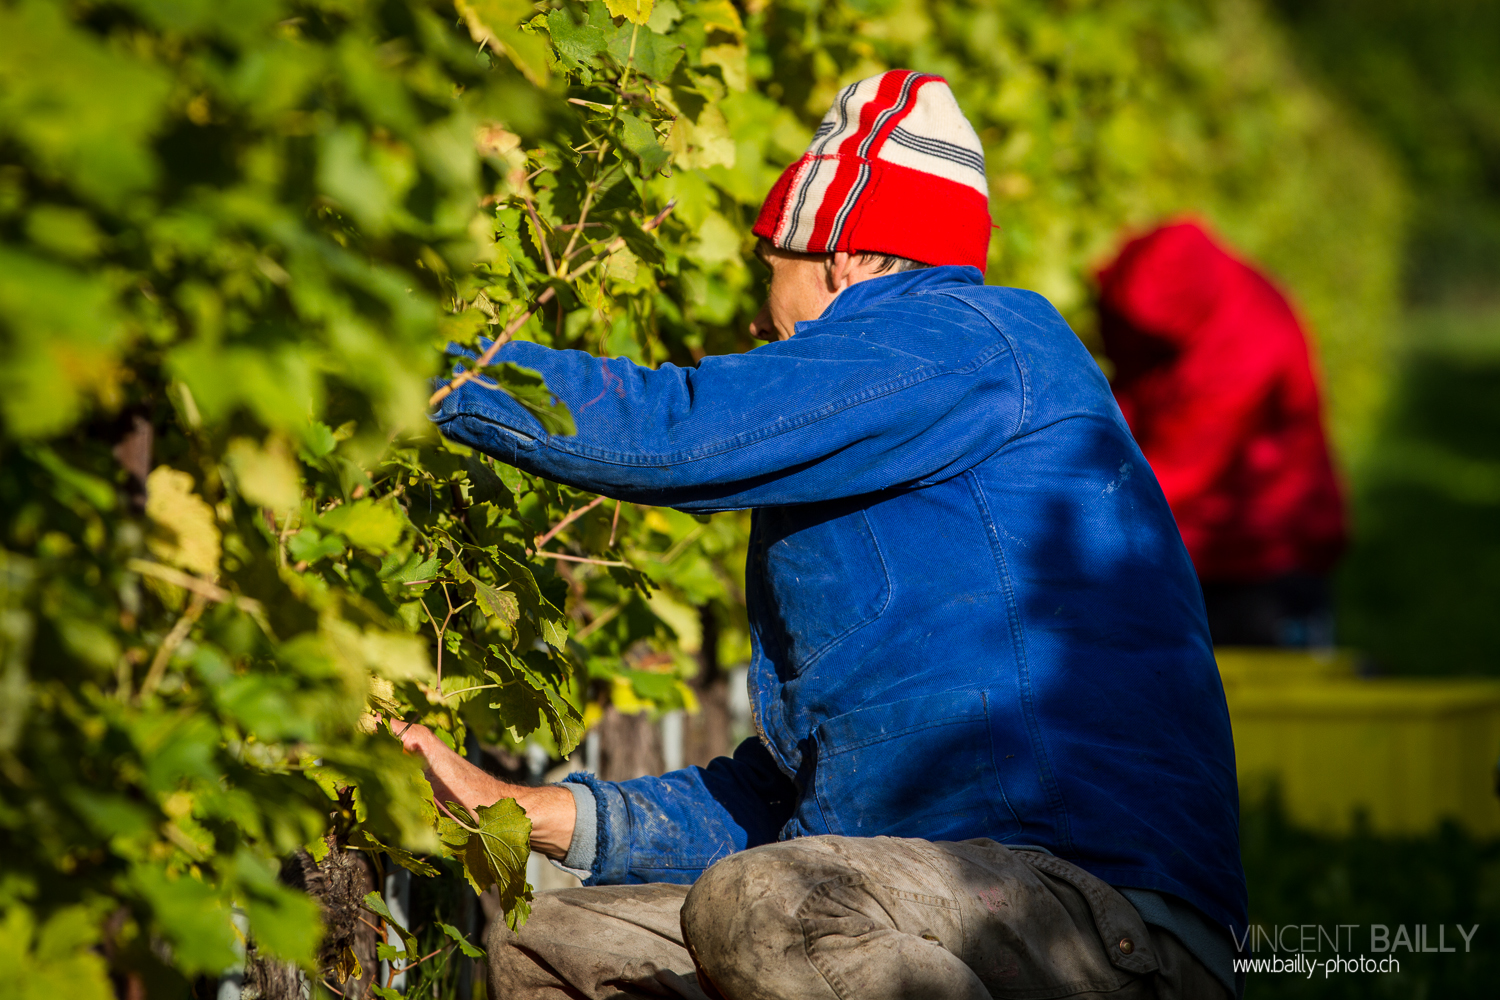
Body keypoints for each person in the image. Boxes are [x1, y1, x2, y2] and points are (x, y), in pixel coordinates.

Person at [410, 70, 1245, 999]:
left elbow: (676, 431)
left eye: (769, 255)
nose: (757, 297)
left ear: (846, 254)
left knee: (772, 908)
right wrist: (541, 814)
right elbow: (797, 800)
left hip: (1097, 919)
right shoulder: (897, 449)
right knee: (561, 947)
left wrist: (427, 369)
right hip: (929, 905)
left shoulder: (970, 337)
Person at [1095, 222, 1346, 648]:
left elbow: (1171, 476)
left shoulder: (1246, 351)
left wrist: (1072, 517)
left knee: (1259, 693)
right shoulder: (1156, 284)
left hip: (1259, 553)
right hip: (1200, 541)